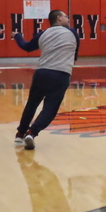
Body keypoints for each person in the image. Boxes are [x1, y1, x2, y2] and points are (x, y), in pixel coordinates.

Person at [12, 10, 80, 149]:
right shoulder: (72, 32)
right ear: (59, 18)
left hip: (41, 73)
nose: (68, 19)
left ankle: (20, 134)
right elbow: (75, 56)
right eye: (66, 16)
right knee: (50, 108)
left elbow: (27, 47)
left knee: (32, 104)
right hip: (61, 74)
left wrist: (17, 36)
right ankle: (32, 133)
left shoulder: (42, 34)